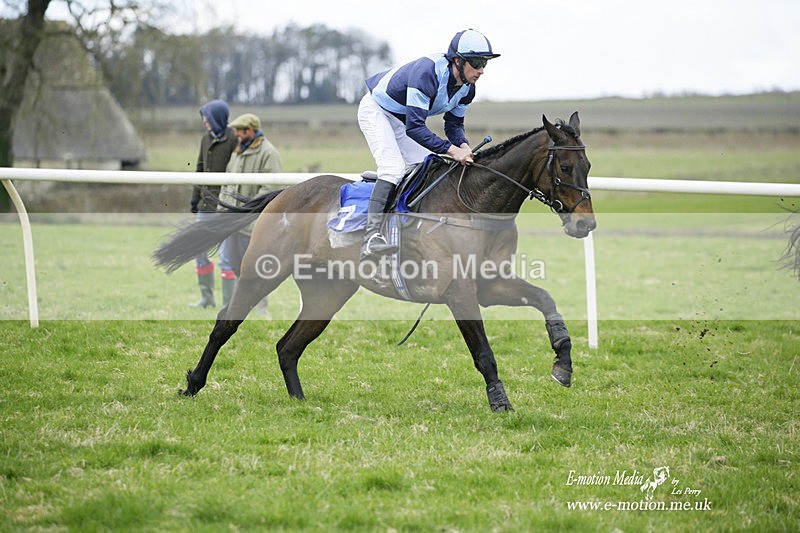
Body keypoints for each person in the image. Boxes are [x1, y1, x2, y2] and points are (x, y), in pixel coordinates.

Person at [356, 29, 500, 261]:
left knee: (430, 166)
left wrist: (463, 146)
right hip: (377, 110)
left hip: (402, 118)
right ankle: (371, 237)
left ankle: (411, 228)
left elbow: (453, 125)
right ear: (457, 61)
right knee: (392, 169)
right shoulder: (427, 74)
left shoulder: (467, 88)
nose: (481, 69)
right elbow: (415, 127)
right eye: (476, 62)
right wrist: (452, 151)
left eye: (485, 63)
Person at [218, 112, 283, 307]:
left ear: (251, 131)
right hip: (234, 224)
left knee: (256, 267)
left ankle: (261, 305)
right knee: (235, 264)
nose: (237, 134)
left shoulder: (269, 153)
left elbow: (271, 187)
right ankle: (241, 304)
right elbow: (227, 182)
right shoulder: (237, 153)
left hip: (254, 224)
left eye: (240, 131)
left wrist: (247, 211)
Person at [188, 99, 237, 308]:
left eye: (207, 118)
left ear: (217, 118)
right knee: (199, 251)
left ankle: (229, 305)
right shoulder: (205, 138)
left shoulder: (234, 138)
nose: (204, 122)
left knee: (225, 258)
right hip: (205, 206)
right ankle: (207, 299)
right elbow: (200, 169)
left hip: (225, 208)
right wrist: (194, 198)